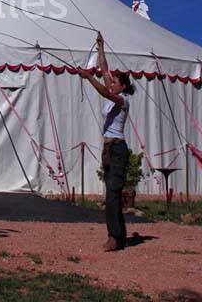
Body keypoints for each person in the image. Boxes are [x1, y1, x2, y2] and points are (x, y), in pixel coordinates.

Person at [80, 32, 136, 252]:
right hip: (108, 149)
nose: (110, 82)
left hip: (118, 149)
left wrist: (88, 77)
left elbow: (104, 90)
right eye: (111, 81)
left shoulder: (122, 100)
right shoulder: (115, 90)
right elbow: (104, 68)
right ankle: (119, 237)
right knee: (111, 194)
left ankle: (114, 237)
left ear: (122, 87)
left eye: (114, 82)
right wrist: (100, 47)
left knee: (113, 194)